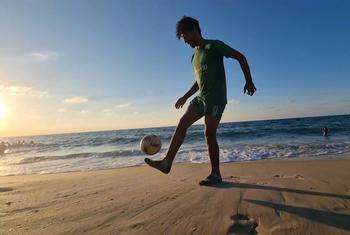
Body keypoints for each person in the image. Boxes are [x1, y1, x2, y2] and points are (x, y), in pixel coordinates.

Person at [145, 16, 256, 186]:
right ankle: (166, 163)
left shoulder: (214, 46)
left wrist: (248, 81)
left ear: (194, 30)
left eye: (184, 36)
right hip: (201, 98)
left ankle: (216, 174)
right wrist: (185, 96)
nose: (185, 41)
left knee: (209, 134)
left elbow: (241, 57)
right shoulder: (193, 57)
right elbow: (199, 82)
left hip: (216, 98)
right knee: (182, 122)